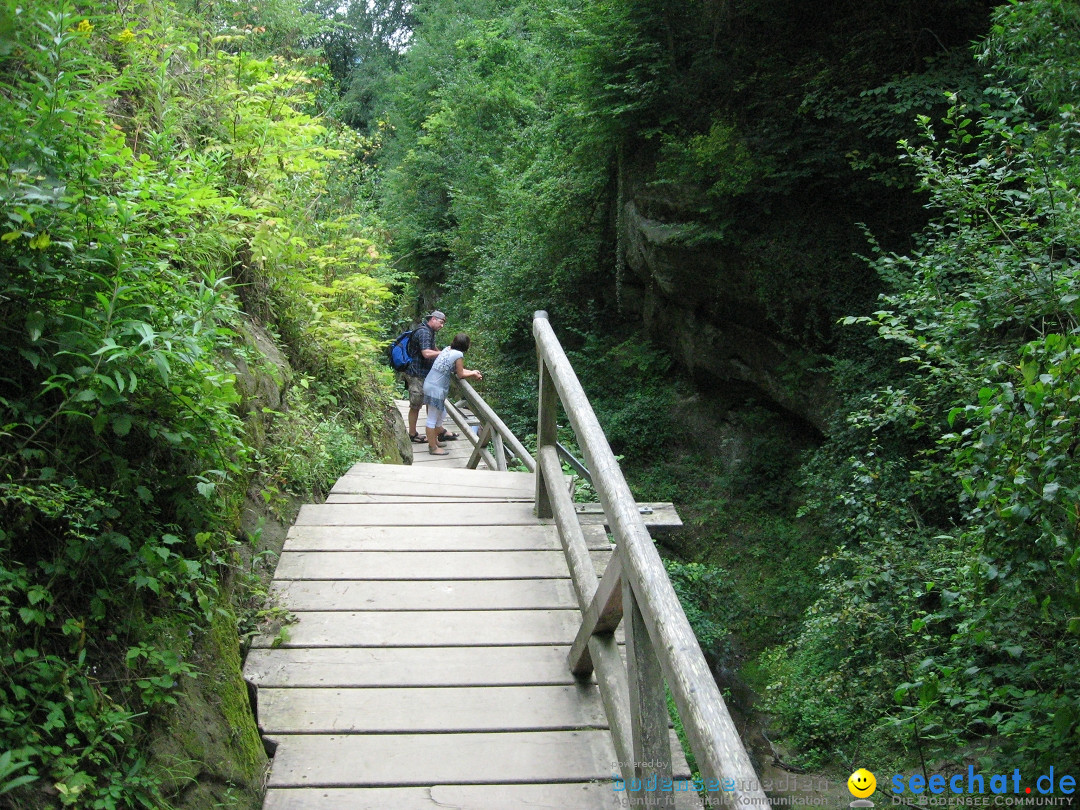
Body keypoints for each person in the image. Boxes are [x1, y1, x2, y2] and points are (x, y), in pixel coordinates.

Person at [422, 333, 482, 455]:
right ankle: (432, 448)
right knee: (432, 418)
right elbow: (460, 374)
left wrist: (472, 371)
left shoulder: (447, 349)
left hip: (430, 383)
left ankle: (434, 441)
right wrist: (474, 374)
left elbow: (456, 370)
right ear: (465, 345)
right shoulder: (458, 355)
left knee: (441, 412)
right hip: (436, 388)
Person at [404, 310, 448, 443]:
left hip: (423, 374)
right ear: (433, 319)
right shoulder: (424, 332)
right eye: (441, 322)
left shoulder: (429, 332)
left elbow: (433, 349)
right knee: (416, 405)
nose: (442, 326)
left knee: (428, 401)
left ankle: (435, 433)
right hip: (416, 374)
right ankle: (412, 433)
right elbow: (426, 353)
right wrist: (444, 353)